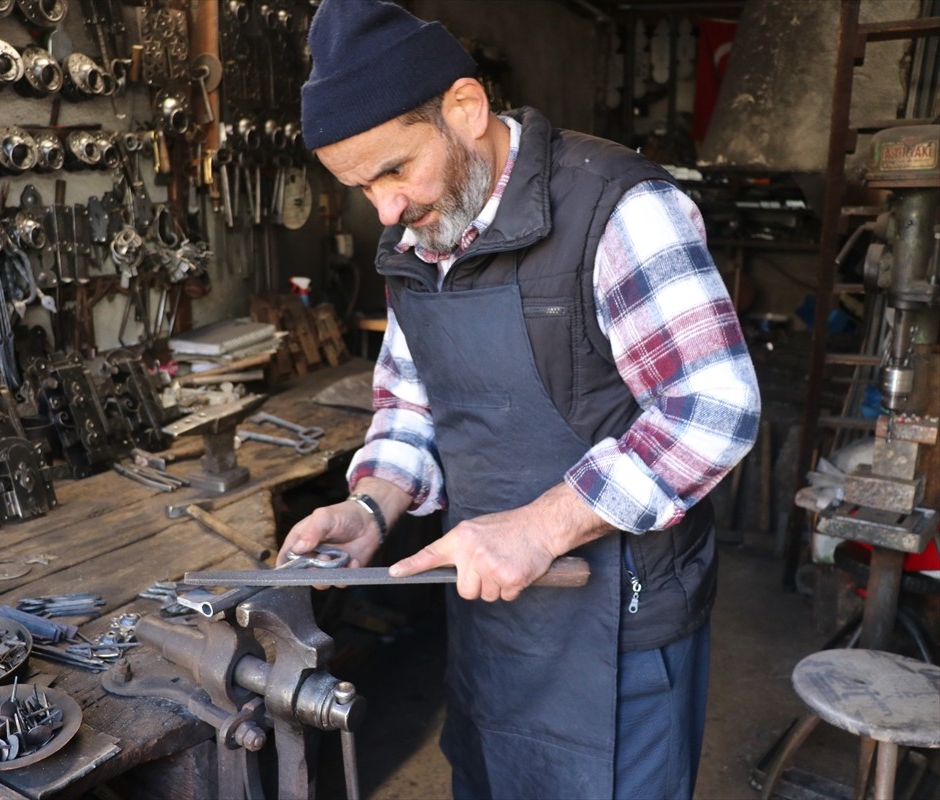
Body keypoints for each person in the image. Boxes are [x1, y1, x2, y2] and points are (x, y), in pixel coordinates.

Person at [280, 1, 761, 798]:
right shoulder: (412, 240)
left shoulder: (617, 210)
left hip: (624, 631)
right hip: (493, 619)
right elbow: (412, 406)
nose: (386, 210)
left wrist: (541, 527)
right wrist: (370, 508)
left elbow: (712, 407)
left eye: (394, 170)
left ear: (466, 110)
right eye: (360, 187)